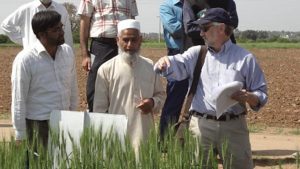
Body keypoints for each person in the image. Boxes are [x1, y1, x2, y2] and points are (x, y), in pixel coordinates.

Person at [154, 8, 268, 169]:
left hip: (234, 127)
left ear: (221, 28)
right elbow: (177, 64)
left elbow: (261, 93)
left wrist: (249, 97)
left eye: (204, 28)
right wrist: (165, 62)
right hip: (201, 126)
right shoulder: (197, 53)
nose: (201, 33)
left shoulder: (245, 58)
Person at [93, 19, 165, 154]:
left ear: (141, 40)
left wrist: (152, 102)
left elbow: (161, 95)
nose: (129, 45)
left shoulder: (150, 66)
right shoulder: (106, 69)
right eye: (125, 40)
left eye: (134, 40)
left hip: (144, 136)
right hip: (116, 139)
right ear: (117, 40)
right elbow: (100, 110)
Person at [11, 10, 78, 148]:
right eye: (56, 29)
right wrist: (20, 134)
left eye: (61, 27)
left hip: (65, 121)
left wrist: (73, 117)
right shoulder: (25, 60)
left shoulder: (67, 52)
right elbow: (19, 100)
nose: (61, 32)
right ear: (41, 34)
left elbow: (72, 87)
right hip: (38, 125)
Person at [77, 0, 138, 112]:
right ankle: (95, 116)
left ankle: (122, 117)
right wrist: (85, 54)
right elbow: (84, 23)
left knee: (126, 79)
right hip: (101, 44)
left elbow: (132, 22)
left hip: (124, 44)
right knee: (96, 82)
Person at [159, 0, 191, 140]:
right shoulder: (166, 6)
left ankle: (193, 140)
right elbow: (174, 29)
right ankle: (164, 140)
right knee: (174, 97)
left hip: (198, 52)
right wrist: (197, 26)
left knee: (200, 97)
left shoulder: (196, 4)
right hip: (176, 53)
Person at [1, 0, 73, 49]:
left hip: (57, 56)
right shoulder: (26, 9)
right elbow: (6, 25)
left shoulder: (61, 9)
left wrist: (69, 54)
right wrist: (24, 40)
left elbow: (67, 35)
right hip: (32, 57)